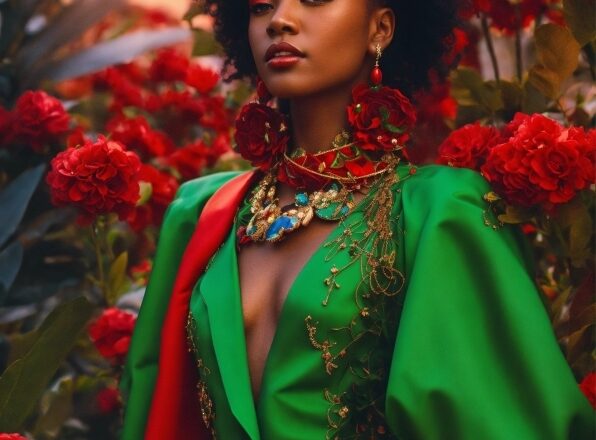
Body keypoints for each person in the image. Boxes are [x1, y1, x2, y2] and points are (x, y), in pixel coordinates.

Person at [120, 1, 594, 439]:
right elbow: (153, 408)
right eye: (261, 5)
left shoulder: (439, 213)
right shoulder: (201, 215)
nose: (278, 20)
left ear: (380, 28)